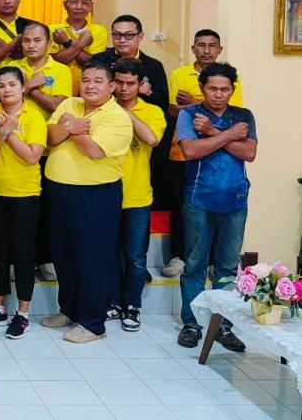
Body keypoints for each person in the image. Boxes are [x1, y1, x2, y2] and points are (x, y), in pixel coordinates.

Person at [39, 61, 133, 343]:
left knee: (92, 258)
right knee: (64, 255)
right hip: (59, 190)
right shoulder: (69, 104)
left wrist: (70, 129)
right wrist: (71, 126)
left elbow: (93, 150)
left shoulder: (117, 117)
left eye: (98, 81)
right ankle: (69, 310)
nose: (90, 86)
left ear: (112, 86)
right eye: (86, 80)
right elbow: (51, 136)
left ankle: (93, 323)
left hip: (95, 195)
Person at [176, 63, 257, 353]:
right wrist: (228, 135)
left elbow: (249, 152)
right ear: (202, 88)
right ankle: (192, 324)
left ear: (232, 90)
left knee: (227, 267)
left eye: (225, 89)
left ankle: (222, 325)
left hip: (235, 199)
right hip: (199, 198)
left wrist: (212, 132)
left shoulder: (244, 115)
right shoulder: (189, 114)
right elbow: (190, 151)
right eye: (212, 88)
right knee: (195, 264)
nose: (219, 94)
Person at [162, 29, 245, 278]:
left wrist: (192, 104)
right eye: (201, 45)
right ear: (193, 48)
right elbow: (173, 110)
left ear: (220, 49)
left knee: (219, 209)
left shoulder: (231, 77)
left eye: (212, 45)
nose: (206, 50)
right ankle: (179, 256)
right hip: (182, 152)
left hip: (220, 154)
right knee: (181, 207)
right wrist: (200, 105)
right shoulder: (179, 74)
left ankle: (213, 261)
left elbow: (232, 112)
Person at [0, 66, 47, 339]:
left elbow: (32, 156)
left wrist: (9, 132)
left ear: (23, 87)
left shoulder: (34, 115)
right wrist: (2, 131)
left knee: (23, 254)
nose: (6, 90)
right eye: (1, 85)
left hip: (25, 194)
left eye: (12, 84)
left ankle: (22, 313)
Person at [106, 59, 165, 333]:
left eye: (131, 83)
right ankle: (113, 302)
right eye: (119, 82)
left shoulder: (152, 111)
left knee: (136, 257)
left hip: (137, 196)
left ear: (141, 84)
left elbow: (151, 139)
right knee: (108, 254)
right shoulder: (101, 109)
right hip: (104, 193)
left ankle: (132, 305)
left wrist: (124, 112)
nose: (124, 88)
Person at [98, 15, 168, 113]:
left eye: (128, 35)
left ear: (140, 37)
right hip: (105, 114)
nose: (122, 40)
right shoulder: (99, 61)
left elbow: (164, 103)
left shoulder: (154, 65)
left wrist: (148, 93)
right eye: (117, 35)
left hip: (141, 115)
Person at [50, 0, 109, 95]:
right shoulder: (53, 30)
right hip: (58, 88)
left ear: (90, 7)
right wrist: (81, 44)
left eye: (84, 3)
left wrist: (66, 42)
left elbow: (93, 63)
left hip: (89, 89)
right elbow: (56, 61)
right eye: (74, 2)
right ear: (65, 4)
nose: (79, 7)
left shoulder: (99, 31)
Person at [3, 23, 71, 119]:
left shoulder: (61, 70)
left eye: (37, 40)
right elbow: (4, 99)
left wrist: (30, 88)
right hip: (15, 123)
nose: (31, 45)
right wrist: (31, 84)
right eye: (26, 41)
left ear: (49, 44)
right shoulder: (12, 66)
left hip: (46, 125)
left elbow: (56, 105)